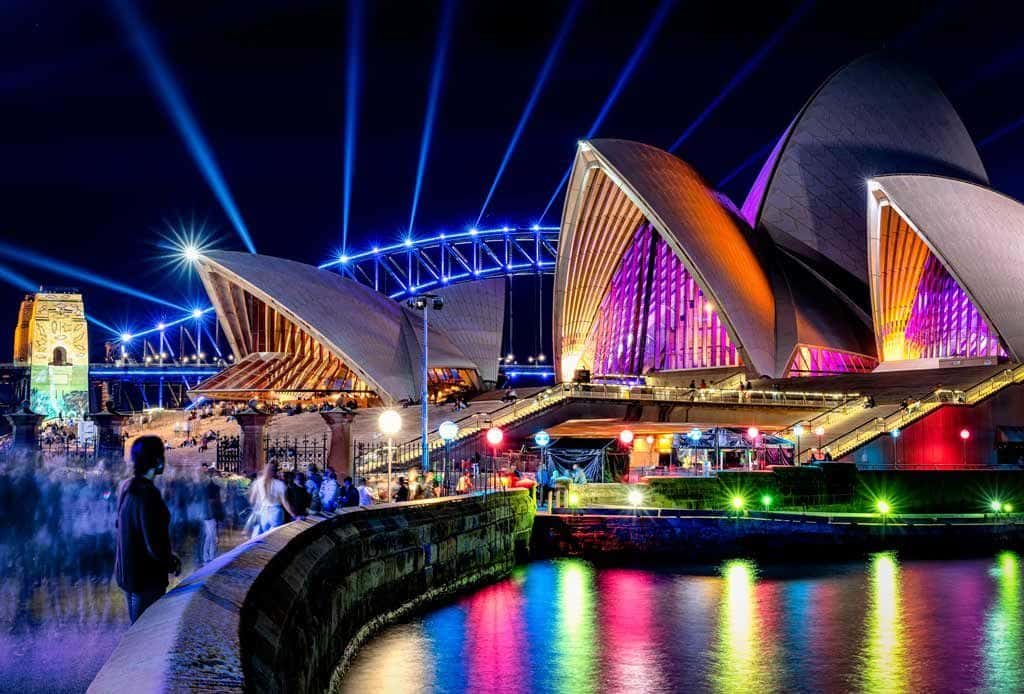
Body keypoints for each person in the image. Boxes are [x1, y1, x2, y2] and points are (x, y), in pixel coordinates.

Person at [114, 435, 181, 624]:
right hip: (146, 577)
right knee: (145, 633)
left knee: (136, 628)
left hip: (128, 573)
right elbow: (153, 544)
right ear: (157, 460)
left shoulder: (126, 486)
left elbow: (118, 525)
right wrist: (170, 561)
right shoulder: (147, 493)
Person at [248, 462, 294, 536]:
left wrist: (257, 507)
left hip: (263, 511)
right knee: (274, 537)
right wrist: (293, 514)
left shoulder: (257, 482)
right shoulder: (280, 484)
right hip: (276, 511)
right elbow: (285, 502)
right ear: (274, 472)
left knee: (263, 536)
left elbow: (251, 500)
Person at [200, 467, 224, 565]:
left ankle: (207, 556)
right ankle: (210, 556)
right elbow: (218, 501)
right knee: (211, 536)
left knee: (209, 536)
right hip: (211, 514)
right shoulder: (214, 486)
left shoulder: (204, 486)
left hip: (206, 514)